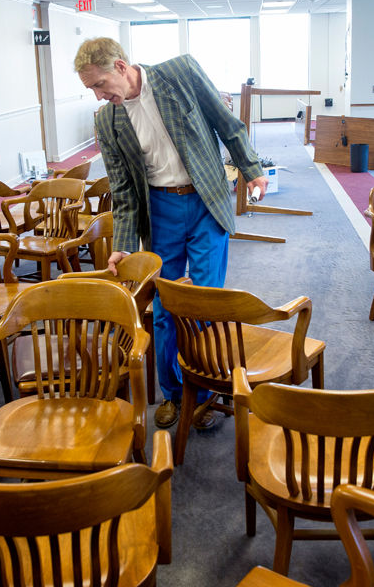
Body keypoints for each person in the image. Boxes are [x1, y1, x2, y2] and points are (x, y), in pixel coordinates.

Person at [74, 37, 268, 431]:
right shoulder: (107, 120)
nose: (97, 95)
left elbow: (227, 124)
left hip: (206, 200)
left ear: (121, 67)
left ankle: (206, 392)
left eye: (99, 84)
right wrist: (123, 246)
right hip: (160, 211)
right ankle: (175, 393)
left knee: (205, 302)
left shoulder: (180, 72)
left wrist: (252, 169)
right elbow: (123, 190)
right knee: (164, 308)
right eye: (90, 88)